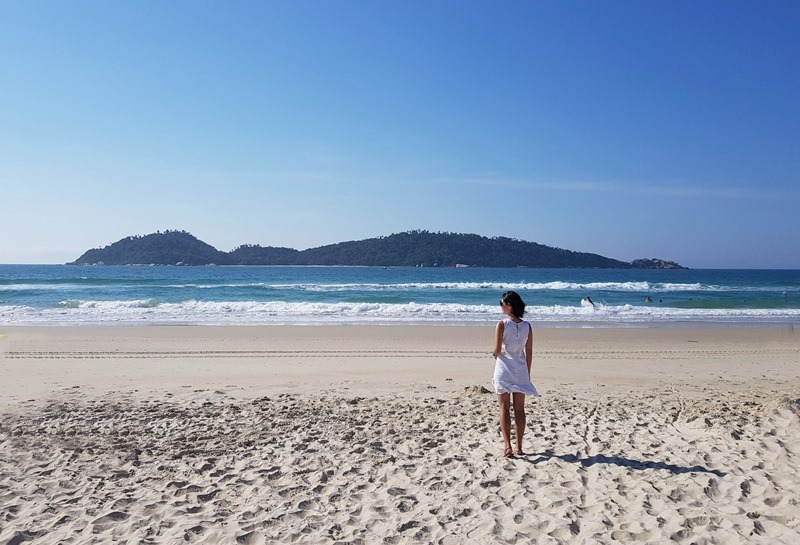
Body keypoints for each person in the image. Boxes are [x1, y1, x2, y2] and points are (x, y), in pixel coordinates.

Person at [491, 291, 538, 458]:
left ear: (509, 306)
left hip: (504, 368)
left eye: (502, 303)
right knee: (520, 409)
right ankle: (519, 446)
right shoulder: (527, 326)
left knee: (504, 408)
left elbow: (497, 350)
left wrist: (494, 353)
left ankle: (507, 446)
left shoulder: (502, 324)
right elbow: (529, 352)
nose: (500, 306)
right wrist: (527, 371)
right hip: (521, 369)